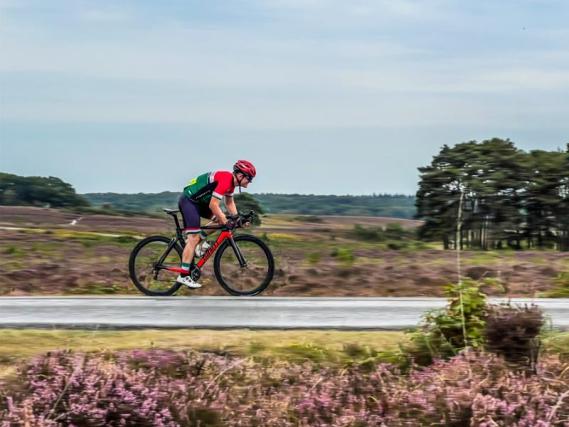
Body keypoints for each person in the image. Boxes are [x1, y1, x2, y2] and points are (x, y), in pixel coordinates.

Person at [176, 160, 256, 288]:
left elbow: (229, 203)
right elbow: (213, 205)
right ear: (241, 176)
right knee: (194, 237)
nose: (250, 182)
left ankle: (194, 246)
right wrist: (226, 221)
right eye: (249, 178)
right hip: (189, 201)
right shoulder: (226, 179)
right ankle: (183, 275)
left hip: (200, 202)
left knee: (219, 220)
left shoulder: (231, 184)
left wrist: (237, 219)